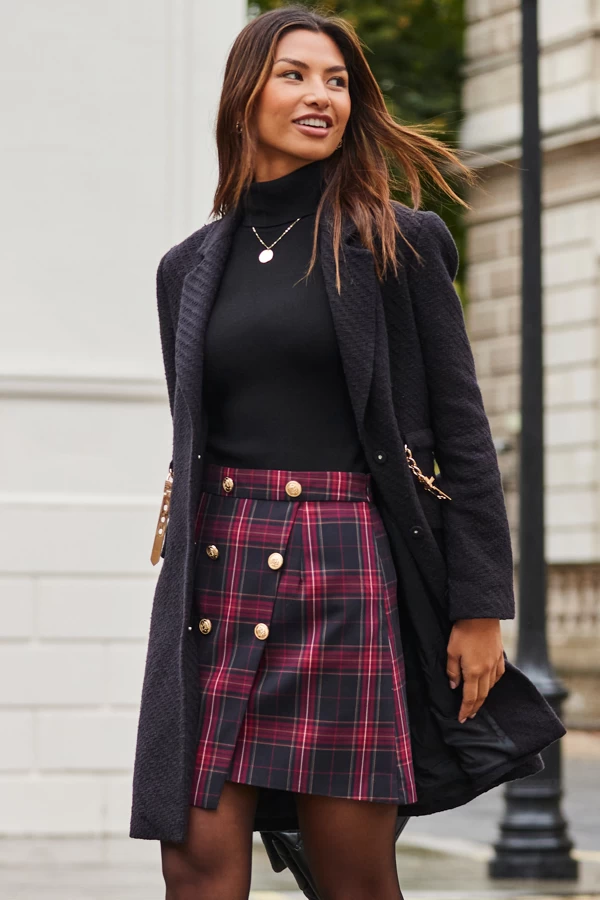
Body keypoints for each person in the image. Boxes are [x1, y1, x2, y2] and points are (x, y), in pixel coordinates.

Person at [129, 6, 566, 900]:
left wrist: (480, 608)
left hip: (347, 568)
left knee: (351, 875)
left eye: (336, 81)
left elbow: (463, 436)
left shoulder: (400, 242)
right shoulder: (188, 267)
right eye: (294, 74)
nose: (319, 96)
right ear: (245, 93)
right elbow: (195, 435)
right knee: (194, 862)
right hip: (216, 569)